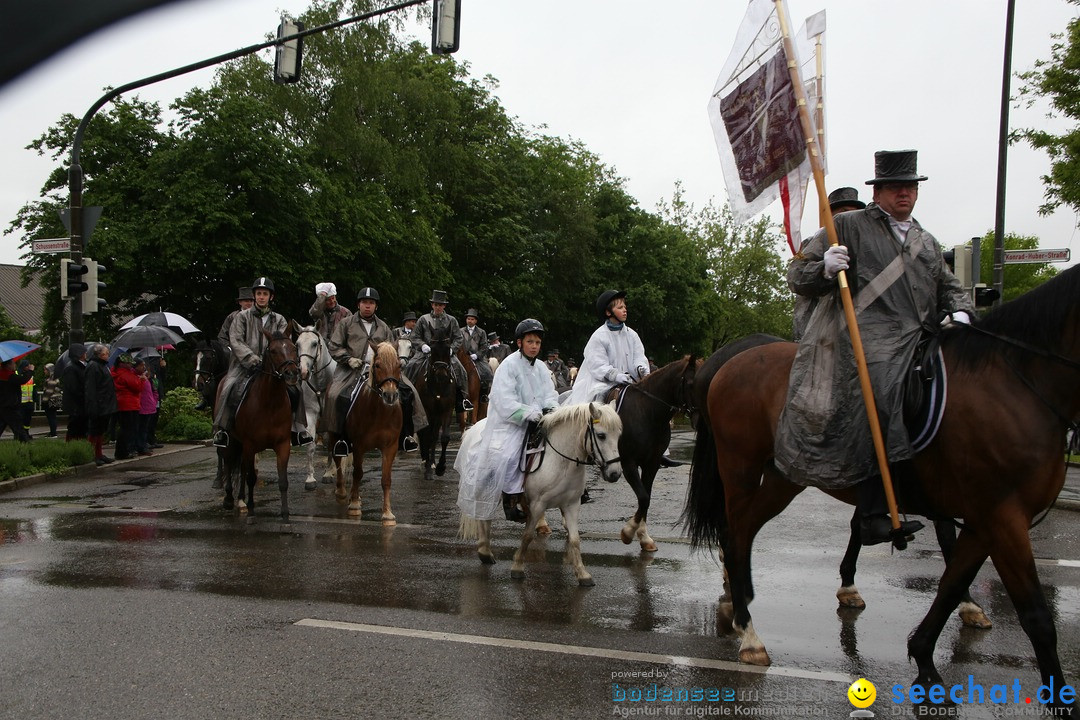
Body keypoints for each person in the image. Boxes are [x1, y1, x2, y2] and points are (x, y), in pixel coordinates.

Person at [777, 149, 975, 547]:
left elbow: (953, 291)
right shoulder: (847, 226)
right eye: (896, 187)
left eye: (910, 187)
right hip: (869, 338)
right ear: (879, 191)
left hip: (922, 336)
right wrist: (825, 268)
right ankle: (871, 512)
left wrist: (963, 316)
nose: (905, 194)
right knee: (882, 391)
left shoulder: (926, 241)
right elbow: (797, 274)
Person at [455, 318, 559, 525]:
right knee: (509, 454)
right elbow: (504, 401)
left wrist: (552, 410)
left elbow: (550, 394)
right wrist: (528, 413)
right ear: (520, 342)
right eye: (530, 342)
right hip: (510, 421)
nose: (534, 346)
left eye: (537, 343)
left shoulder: (541, 367)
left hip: (539, 420)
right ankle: (509, 501)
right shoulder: (509, 365)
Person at [212, 277, 314, 448]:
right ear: (254, 296)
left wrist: (279, 362)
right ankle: (222, 429)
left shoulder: (279, 319)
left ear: (270, 297)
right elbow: (236, 341)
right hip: (244, 366)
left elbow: (284, 345)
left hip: (273, 367)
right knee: (228, 388)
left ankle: (298, 429)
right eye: (258, 293)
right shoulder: (242, 317)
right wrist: (252, 359)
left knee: (296, 390)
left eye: (265, 294)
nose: (261, 297)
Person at [325, 287, 426, 455]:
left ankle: (406, 435)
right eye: (364, 302)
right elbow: (334, 346)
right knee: (335, 395)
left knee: (409, 392)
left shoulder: (383, 327)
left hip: (381, 371)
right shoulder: (346, 323)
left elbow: (392, 348)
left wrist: (394, 361)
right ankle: (340, 438)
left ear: (376, 306)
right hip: (352, 369)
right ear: (358, 304)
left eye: (371, 303)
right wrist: (348, 359)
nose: (367, 306)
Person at [792, 186, 867, 342]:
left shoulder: (865, 244)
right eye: (843, 211)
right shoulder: (811, 243)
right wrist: (823, 270)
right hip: (815, 332)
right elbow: (795, 278)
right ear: (830, 215)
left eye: (853, 213)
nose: (847, 217)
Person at [567, 289, 650, 404]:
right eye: (620, 308)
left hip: (629, 381)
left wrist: (640, 367)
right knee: (599, 404)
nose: (625, 310)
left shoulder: (632, 335)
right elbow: (598, 365)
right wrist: (616, 376)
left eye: (625, 307)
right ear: (608, 312)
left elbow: (639, 356)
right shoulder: (599, 336)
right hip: (603, 383)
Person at [405, 289, 473, 412]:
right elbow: (414, 337)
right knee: (410, 365)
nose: (438, 307)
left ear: (444, 306)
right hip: (425, 353)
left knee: (461, 370)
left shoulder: (451, 320)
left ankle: (462, 399)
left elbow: (458, 337)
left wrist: (452, 349)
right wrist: (422, 345)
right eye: (436, 304)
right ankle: (405, 395)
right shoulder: (423, 319)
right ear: (432, 305)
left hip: (445, 354)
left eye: (440, 305)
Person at [197, 287, 254, 411]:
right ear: (240, 302)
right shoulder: (232, 317)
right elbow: (222, 336)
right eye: (245, 301)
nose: (248, 303)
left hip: (254, 353)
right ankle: (206, 398)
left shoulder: (258, 317)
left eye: (250, 300)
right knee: (215, 372)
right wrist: (230, 348)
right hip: (234, 354)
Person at [85, 343, 117, 465]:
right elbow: (91, 388)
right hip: (99, 404)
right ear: (99, 354)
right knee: (94, 431)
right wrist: (93, 406)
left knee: (100, 431)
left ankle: (99, 454)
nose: (107, 356)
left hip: (105, 403)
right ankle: (93, 454)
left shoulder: (103, 366)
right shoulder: (93, 366)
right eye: (105, 354)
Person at [111, 353, 142, 460]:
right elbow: (137, 387)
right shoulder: (125, 374)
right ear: (122, 364)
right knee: (127, 429)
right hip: (129, 404)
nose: (130, 366)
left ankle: (123, 451)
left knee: (125, 428)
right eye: (129, 363)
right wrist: (142, 380)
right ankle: (122, 452)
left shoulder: (116, 373)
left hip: (123, 403)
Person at [61, 343, 89, 441]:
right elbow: (73, 387)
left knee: (81, 428)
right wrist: (83, 394)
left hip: (80, 404)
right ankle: (72, 447)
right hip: (75, 405)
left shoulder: (81, 366)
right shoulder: (71, 368)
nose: (86, 354)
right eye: (84, 352)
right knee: (75, 428)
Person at [0, 358, 31, 441]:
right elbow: (23, 380)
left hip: (3, 405)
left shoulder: (3, 374)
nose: (15, 365)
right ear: (8, 365)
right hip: (10, 405)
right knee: (19, 428)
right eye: (13, 363)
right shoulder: (9, 375)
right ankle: (25, 445)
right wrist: (30, 371)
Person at [134, 358, 157, 456]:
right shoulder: (137, 377)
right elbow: (138, 389)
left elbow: (152, 390)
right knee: (141, 428)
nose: (144, 367)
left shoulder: (146, 377)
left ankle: (143, 444)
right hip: (142, 406)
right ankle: (140, 446)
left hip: (149, 405)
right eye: (142, 365)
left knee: (145, 427)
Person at [40, 362, 62, 437]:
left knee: (51, 417)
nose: (44, 371)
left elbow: (49, 391)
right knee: (52, 416)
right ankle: (52, 432)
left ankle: (53, 433)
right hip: (54, 400)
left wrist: (44, 401)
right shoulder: (54, 378)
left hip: (51, 401)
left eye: (45, 370)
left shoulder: (52, 378)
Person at [17, 358, 34, 438]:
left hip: (29, 401)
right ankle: (19, 435)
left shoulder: (30, 375)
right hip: (21, 402)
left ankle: (26, 434)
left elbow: (33, 387)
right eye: (27, 366)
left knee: (28, 420)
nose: (29, 367)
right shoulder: (18, 374)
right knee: (20, 420)